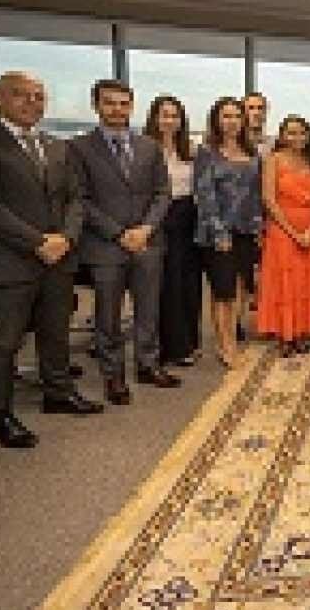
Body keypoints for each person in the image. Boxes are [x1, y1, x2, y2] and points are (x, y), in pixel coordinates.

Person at [0, 72, 102, 447]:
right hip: (6, 261)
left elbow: (75, 199)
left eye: (38, 96)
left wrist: (65, 238)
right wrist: (37, 242)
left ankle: (58, 392)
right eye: (21, 95)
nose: (32, 102)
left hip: (58, 258)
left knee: (55, 331)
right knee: (3, 343)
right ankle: (0, 414)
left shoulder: (55, 145)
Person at [70, 79, 180, 406]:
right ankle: (113, 374)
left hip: (148, 242)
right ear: (96, 106)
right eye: (109, 103)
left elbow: (163, 193)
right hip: (106, 245)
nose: (117, 109)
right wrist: (118, 233)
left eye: (123, 103)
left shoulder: (149, 146)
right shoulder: (79, 148)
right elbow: (80, 200)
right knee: (108, 315)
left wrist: (145, 228)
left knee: (148, 309)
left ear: (131, 106)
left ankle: (148, 364)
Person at [195, 97, 263, 368]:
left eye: (236, 116)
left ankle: (231, 337)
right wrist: (219, 232)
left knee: (240, 287)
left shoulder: (252, 152)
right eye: (226, 116)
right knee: (222, 292)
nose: (232, 121)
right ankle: (225, 345)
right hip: (218, 233)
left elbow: (257, 193)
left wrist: (259, 226)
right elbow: (205, 195)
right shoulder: (206, 152)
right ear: (217, 120)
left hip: (247, 231)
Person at [256, 116, 310, 356]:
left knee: (306, 282)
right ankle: (285, 334)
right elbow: (268, 199)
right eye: (292, 133)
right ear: (283, 135)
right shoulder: (273, 160)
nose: (297, 138)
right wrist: (294, 232)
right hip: (282, 229)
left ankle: (301, 333)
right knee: (285, 281)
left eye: (302, 133)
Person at [145, 95, 201, 367]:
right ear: (155, 118)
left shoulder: (190, 148)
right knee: (168, 284)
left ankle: (190, 342)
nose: (169, 120)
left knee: (190, 283)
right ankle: (172, 347)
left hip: (189, 215)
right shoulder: (145, 148)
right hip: (161, 217)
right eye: (164, 115)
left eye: (174, 115)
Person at [243, 91, 272, 156]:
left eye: (260, 108)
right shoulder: (236, 144)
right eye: (251, 108)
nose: (256, 112)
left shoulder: (272, 145)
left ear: (265, 111)